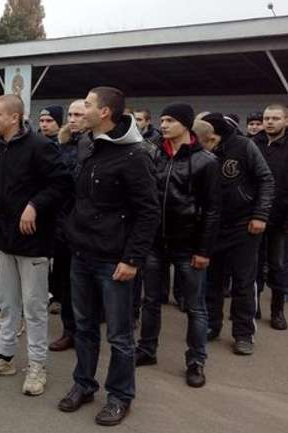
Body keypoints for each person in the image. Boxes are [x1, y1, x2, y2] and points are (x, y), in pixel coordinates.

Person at [58, 87, 160, 426]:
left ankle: (120, 396)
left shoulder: (136, 154)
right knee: (84, 326)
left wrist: (132, 259)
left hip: (113, 260)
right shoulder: (88, 144)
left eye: (86, 105)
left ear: (104, 112)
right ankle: (84, 384)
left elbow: (148, 212)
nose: (80, 110)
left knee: (119, 335)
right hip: (81, 253)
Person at [0, 94, 73, 397]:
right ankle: (4, 357)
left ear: (15, 117)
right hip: (3, 239)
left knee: (34, 307)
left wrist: (35, 205)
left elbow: (64, 184)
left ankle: (37, 366)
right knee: (7, 302)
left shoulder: (41, 147)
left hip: (33, 243)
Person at [135, 103, 220, 388]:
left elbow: (212, 210)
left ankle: (196, 361)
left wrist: (204, 250)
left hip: (189, 245)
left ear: (185, 124)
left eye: (170, 120)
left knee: (196, 308)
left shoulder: (205, 161)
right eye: (162, 120)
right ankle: (147, 350)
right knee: (150, 301)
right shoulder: (153, 153)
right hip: (156, 243)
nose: (164, 125)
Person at [202, 112, 274, 355]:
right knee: (212, 280)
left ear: (216, 134)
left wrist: (260, 215)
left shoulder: (245, 146)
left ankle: (243, 333)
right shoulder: (202, 149)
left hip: (244, 225)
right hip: (214, 226)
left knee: (244, 282)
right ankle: (211, 325)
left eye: (207, 138)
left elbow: (265, 180)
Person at [48, 99, 88, 351]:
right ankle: (70, 331)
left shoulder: (96, 146)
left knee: (85, 287)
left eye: (79, 114)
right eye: (70, 114)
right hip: (63, 227)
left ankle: (85, 333)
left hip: (88, 227)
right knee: (66, 283)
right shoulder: (60, 146)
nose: (73, 119)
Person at [253, 104, 288, 330]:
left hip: (280, 219)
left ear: (286, 121)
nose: (269, 122)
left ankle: (277, 310)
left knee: (278, 265)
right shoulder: (252, 144)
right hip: (254, 217)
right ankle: (252, 306)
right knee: (252, 265)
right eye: (267, 118)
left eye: (276, 118)